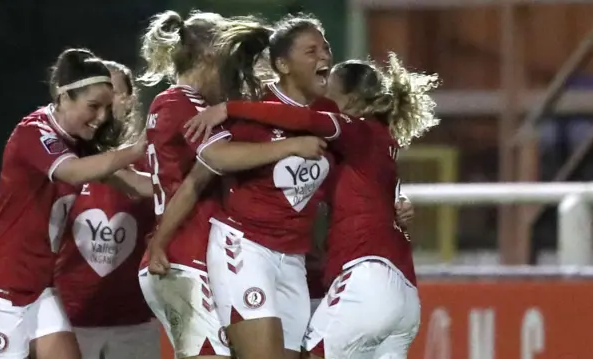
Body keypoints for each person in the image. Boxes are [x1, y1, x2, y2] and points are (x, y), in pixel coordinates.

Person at [185, 52, 440, 359]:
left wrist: (228, 108)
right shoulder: (381, 139)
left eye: (329, 88)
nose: (322, 94)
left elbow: (301, 117)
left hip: (367, 275)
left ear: (348, 100)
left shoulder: (354, 129)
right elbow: (384, 189)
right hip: (405, 293)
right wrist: (400, 200)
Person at [136, 10, 326, 359]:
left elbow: (179, 179)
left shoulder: (173, 105)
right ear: (212, 55)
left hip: (182, 254)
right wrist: (289, 145)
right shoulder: (182, 102)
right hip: (184, 257)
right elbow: (216, 160)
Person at [0, 48, 146, 359]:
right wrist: (138, 148)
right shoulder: (35, 131)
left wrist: (196, 174)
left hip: (39, 285)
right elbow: (71, 171)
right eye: (93, 106)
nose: (102, 117)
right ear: (64, 98)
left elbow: (138, 186)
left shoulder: (76, 142)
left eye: (106, 108)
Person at [202, 13, 339, 359]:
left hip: (293, 257)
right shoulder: (256, 106)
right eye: (311, 51)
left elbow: (359, 161)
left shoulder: (326, 112)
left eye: (325, 48)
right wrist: (287, 146)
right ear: (283, 64)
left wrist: (395, 198)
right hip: (245, 247)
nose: (324, 57)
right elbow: (215, 158)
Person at [54, 60, 159, 359]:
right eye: (95, 98)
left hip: (136, 321)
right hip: (68, 320)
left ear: (128, 99)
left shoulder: (153, 161)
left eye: (112, 93)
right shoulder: (60, 160)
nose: (104, 106)